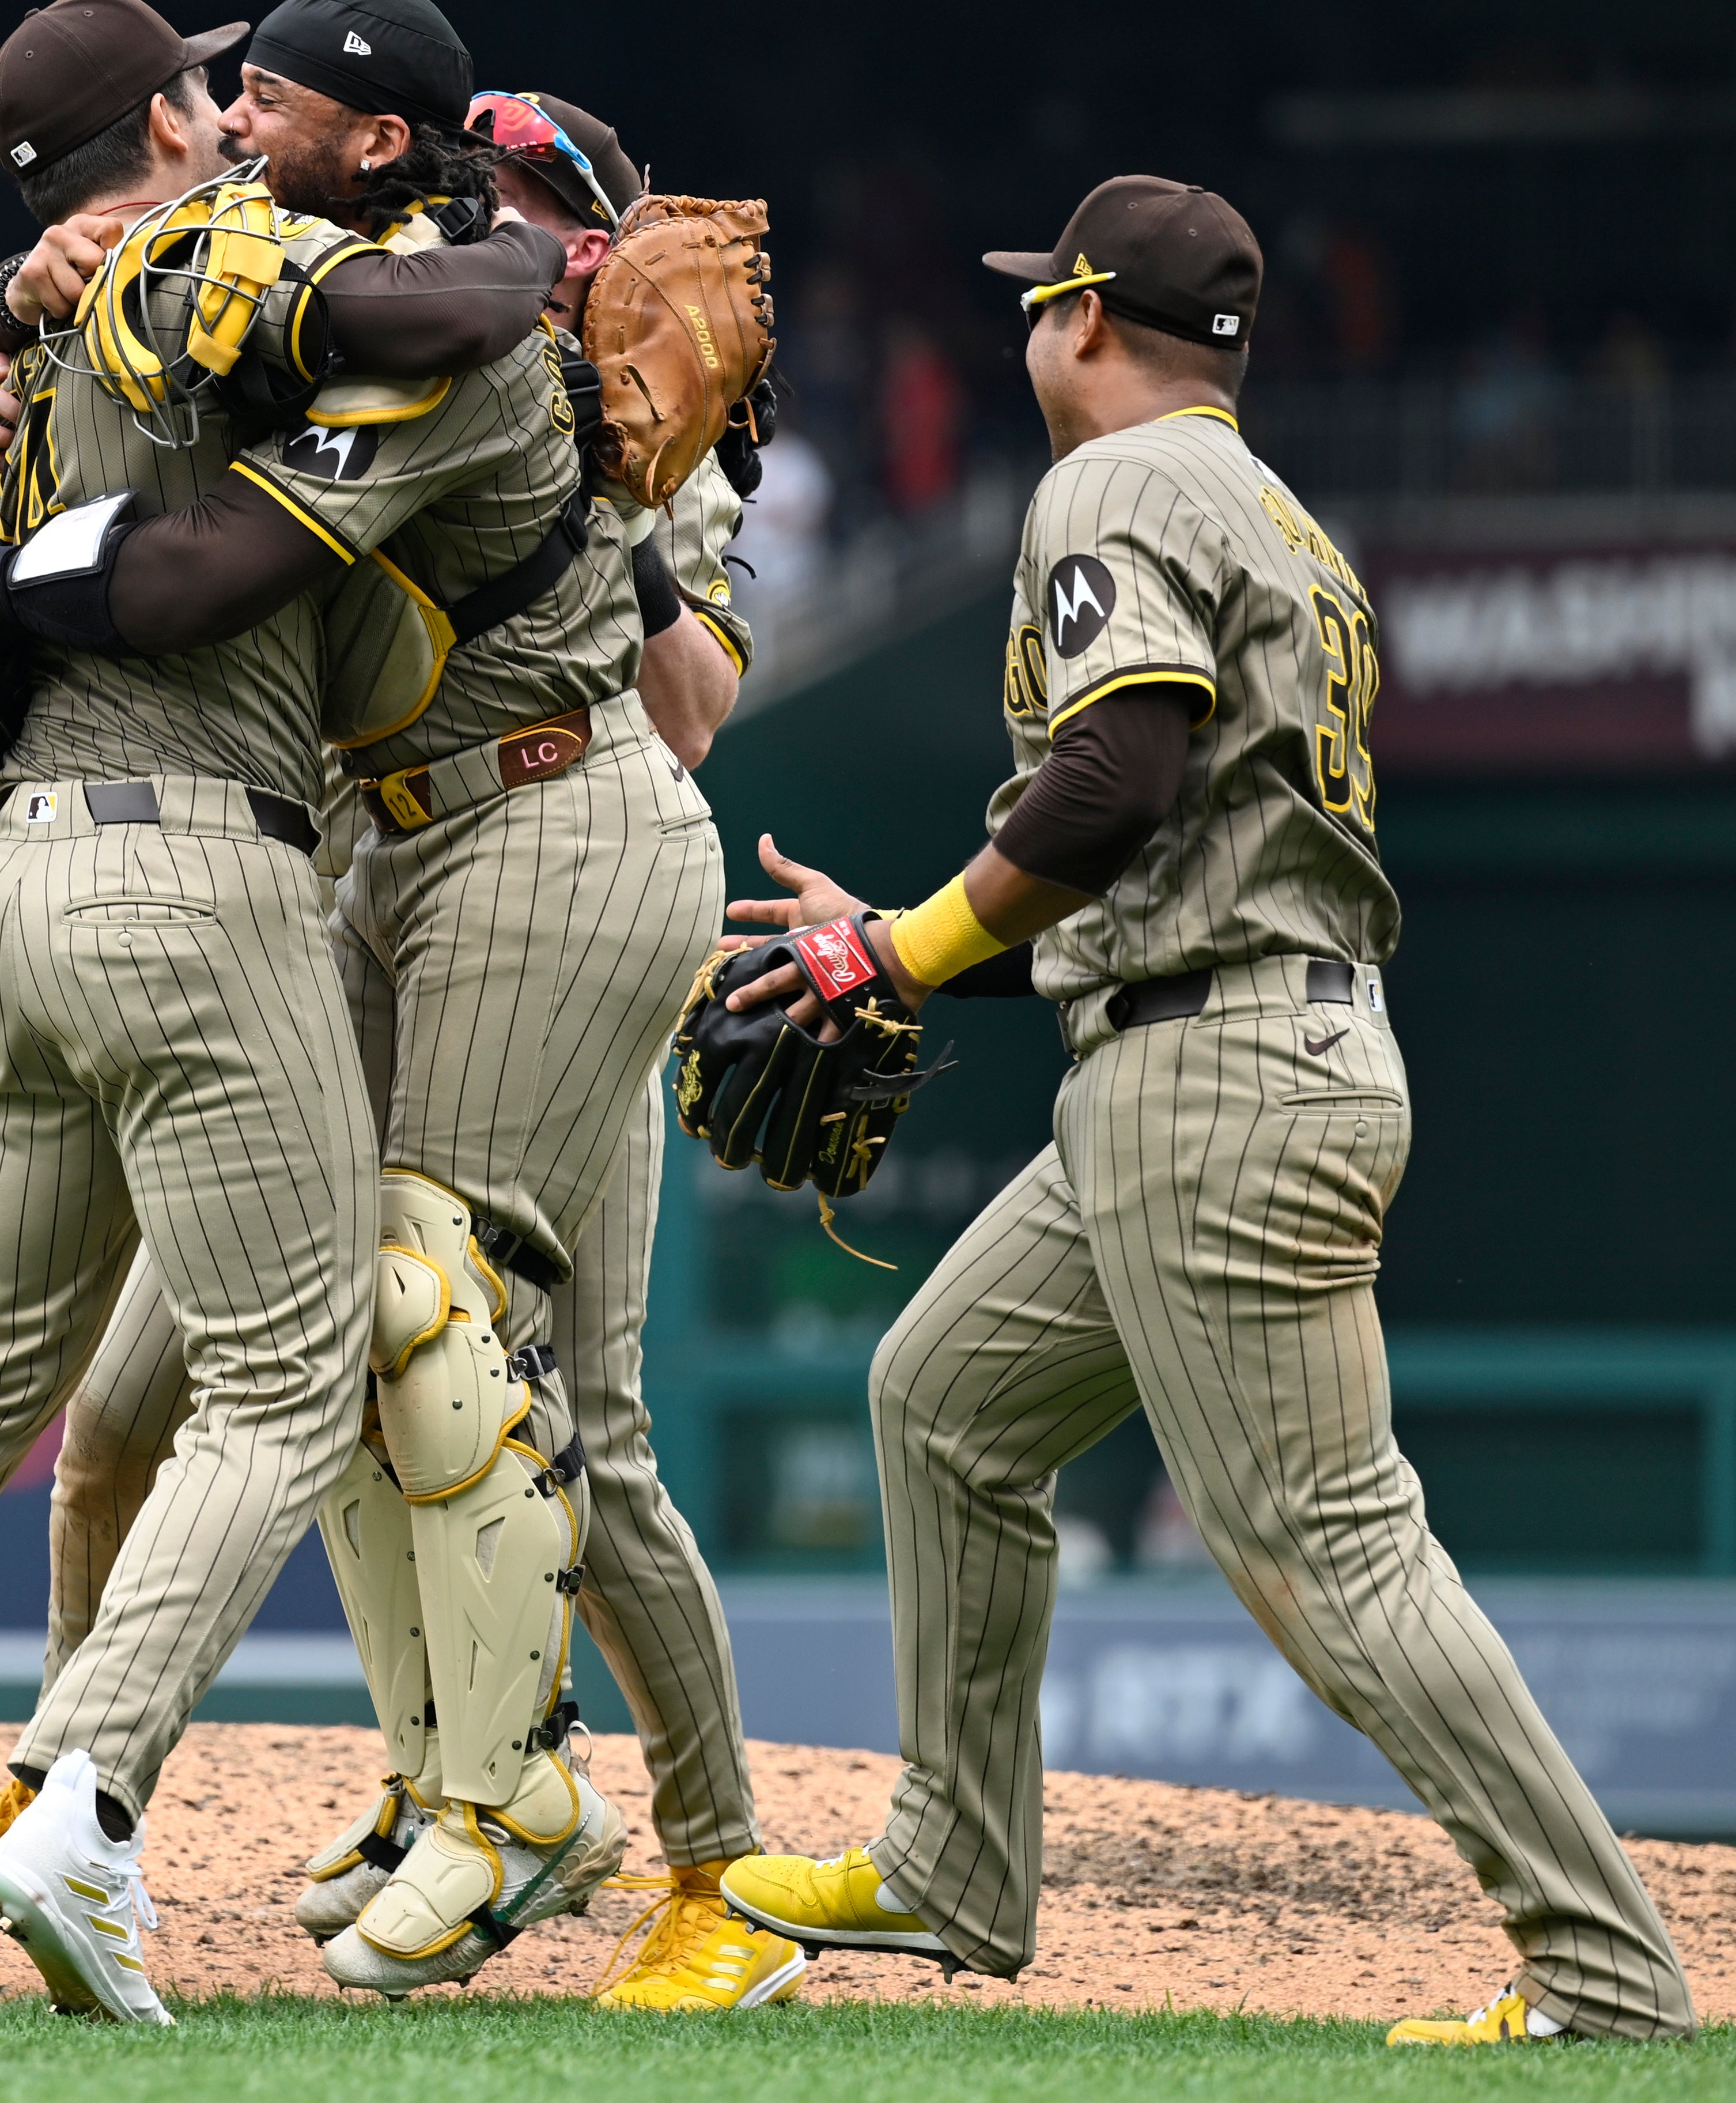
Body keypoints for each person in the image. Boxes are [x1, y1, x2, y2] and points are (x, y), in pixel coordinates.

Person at [706, 176, 1697, 2047]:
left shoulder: (1111, 482)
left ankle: (1603, 1974)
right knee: (944, 1407)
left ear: (1083, 316)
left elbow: (1114, 778)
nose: (1023, 324)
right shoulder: (1274, 514)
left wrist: (900, 952)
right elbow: (1159, 855)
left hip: (1219, 1080)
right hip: (1210, 1041)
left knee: (1332, 1543)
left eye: (1039, 297)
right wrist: (905, 943)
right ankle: (951, 1863)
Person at [0, 0, 622, 2023]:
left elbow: (88, 316)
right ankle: (81, 1806)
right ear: (166, 127)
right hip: (195, 866)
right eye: (208, 89)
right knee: (285, 1379)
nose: (236, 115)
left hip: (14, 877)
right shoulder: (221, 248)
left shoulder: (49, 310)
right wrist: (540, 260)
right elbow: (408, 329)